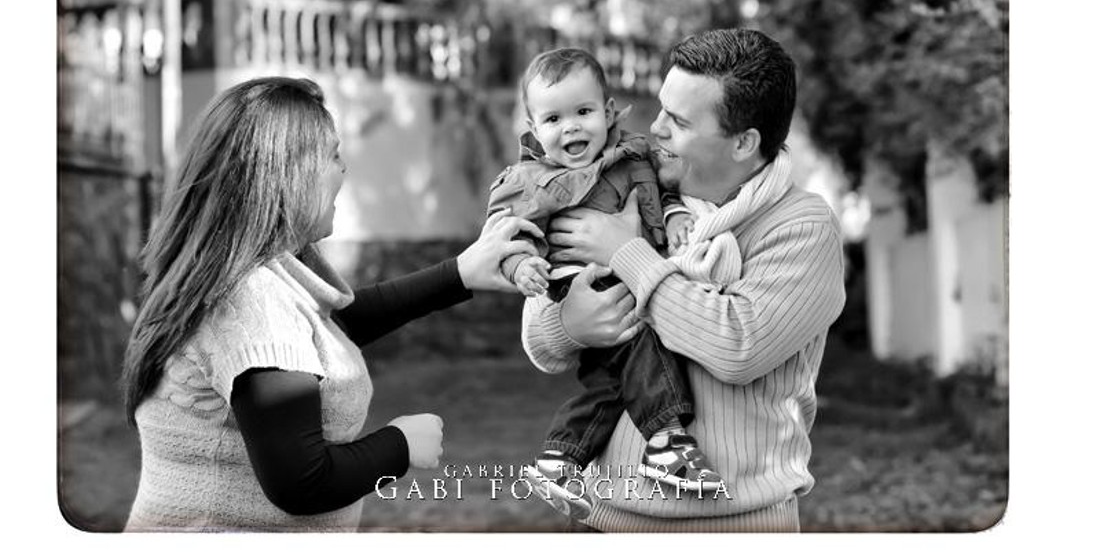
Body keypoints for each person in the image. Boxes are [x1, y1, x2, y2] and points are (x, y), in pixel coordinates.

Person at [120, 76, 539, 531]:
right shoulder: (253, 300)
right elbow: (302, 482)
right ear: (288, 174)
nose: (344, 170)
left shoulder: (238, 275)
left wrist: (461, 273)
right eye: (333, 155)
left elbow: (330, 329)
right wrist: (401, 443)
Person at [521, 29, 846, 532]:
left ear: (743, 142)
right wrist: (569, 325)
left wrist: (624, 253)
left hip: (738, 528)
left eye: (678, 120)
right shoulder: (620, 184)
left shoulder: (800, 226)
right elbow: (542, 341)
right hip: (601, 521)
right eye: (660, 109)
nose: (655, 128)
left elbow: (738, 345)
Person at [485, 48, 724, 521]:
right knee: (647, 347)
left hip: (634, 277)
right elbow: (503, 232)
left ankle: (560, 459)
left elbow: (664, 195)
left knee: (610, 385)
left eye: (583, 112)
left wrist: (673, 217)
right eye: (553, 118)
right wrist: (519, 267)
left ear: (609, 112)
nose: (571, 127)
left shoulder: (635, 159)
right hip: (586, 286)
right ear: (533, 129)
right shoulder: (534, 181)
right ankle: (666, 442)